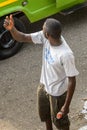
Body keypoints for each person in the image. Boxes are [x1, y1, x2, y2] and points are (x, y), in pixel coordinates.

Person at [3, 15, 79, 130]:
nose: (41, 30)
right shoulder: (46, 37)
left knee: (60, 122)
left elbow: (72, 80)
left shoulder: (66, 55)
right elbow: (22, 37)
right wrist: (12, 29)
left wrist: (66, 106)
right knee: (45, 115)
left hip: (57, 93)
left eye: (43, 29)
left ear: (48, 34)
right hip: (44, 85)